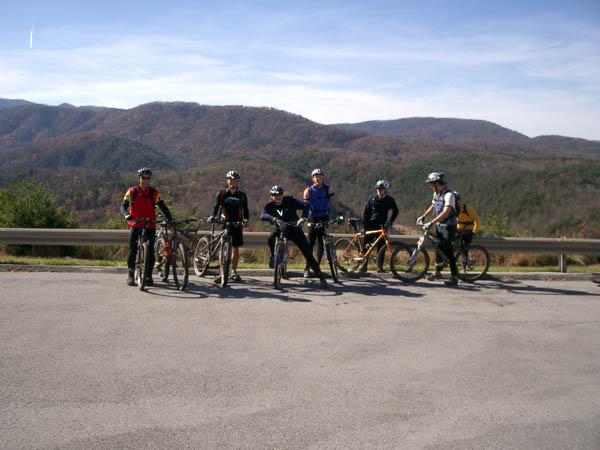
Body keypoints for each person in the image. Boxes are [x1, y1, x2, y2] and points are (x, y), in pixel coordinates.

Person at [260, 185, 328, 288]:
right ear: (271, 196)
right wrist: (274, 219)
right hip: (280, 228)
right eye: (274, 195)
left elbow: (305, 205)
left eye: (279, 194)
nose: (277, 197)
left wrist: (303, 218)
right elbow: (263, 215)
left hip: (294, 228)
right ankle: (273, 256)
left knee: (307, 252)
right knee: (271, 237)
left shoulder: (290, 201)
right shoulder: (270, 206)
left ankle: (320, 276)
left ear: (282, 194)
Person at [120, 167, 173, 286]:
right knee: (133, 248)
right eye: (143, 178)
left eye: (148, 178)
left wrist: (170, 220)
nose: (145, 180)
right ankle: (130, 274)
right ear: (138, 179)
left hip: (150, 223)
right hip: (135, 223)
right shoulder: (132, 191)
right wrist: (126, 215)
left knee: (149, 250)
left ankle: (148, 275)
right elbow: (123, 206)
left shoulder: (154, 193)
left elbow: (163, 207)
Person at [417, 172, 459, 286]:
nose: (431, 187)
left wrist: (431, 222)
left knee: (448, 251)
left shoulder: (449, 195)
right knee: (438, 249)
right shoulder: (437, 194)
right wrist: (424, 216)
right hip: (440, 226)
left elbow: (446, 213)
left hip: (449, 227)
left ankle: (454, 277)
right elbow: (433, 205)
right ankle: (438, 272)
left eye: (431, 184)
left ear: (437, 183)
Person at [208, 170, 249, 283]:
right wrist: (213, 216)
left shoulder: (241, 195)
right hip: (224, 223)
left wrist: (246, 220)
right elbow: (216, 207)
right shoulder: (221, 194)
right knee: (223, 248)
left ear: (237, 181)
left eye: (234, 180)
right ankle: (222, 273)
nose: (232, 181)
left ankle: (234, 271)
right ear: (227, 180)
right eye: (230, 179)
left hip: (237, 224)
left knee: (235, 249)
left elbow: (246, 209)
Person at [302, 168, 342, 278]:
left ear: (322, 177)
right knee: (309, 244)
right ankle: (307, 267)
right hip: (313, 219)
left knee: (320, 244)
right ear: (313, 178)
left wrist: (340, 213)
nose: (318, 178)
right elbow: (305, 207)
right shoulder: (308, 191)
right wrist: (304, 218)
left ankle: (316, 267)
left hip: (324, 217)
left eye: (320, 176)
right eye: (316, 176)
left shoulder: (327, 189)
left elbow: (334, 201)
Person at [361, 179, 399, 272]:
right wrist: (364, 227)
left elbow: (395, 211)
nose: (379, 190)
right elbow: (366, 213)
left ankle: (379, 267)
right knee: (367, 246)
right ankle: (364, 266)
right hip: (370, 226)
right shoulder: (372, 199)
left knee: (381, 247)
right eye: (378, 189)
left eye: (381, 189)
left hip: (382, 226)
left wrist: (390, 222)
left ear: (385, 190)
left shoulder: (389, 200)